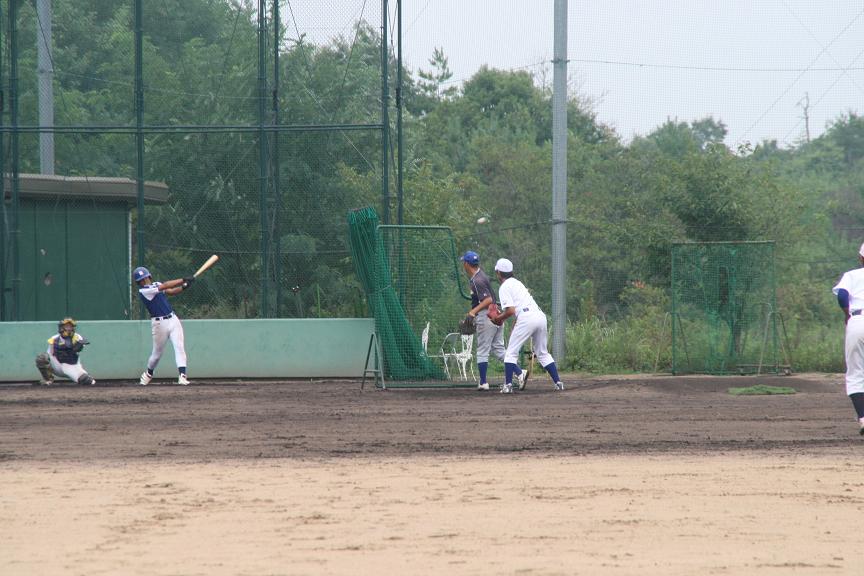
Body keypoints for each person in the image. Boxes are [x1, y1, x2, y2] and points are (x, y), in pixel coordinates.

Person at [491, 258, 564, 394]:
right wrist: (514, 323)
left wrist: (498, 318)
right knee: (542, 353)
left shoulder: (504, 287)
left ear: (498, 273)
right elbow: (518, 308)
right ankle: (558, 383)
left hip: (526, 318)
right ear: (511, 272)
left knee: (510, 353)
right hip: (539, 316)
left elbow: (511, 310)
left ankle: (507, 386)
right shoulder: (518, 283)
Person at [460, 251, 525, 391]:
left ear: (466, 264)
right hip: (495, 313)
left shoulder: (477, 280)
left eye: (463, 262)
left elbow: (488, 299)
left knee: (482, 349)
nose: (462, 265)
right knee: (498, 349)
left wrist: (473, 312)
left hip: (487, 315)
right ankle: (520, 372)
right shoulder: (481, 275)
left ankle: (483, 382)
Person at [133, 266, 194, 386]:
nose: (144, 281)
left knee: (179, 347)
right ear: (139, 283)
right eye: (141, 280)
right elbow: (165, 285)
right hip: (159, 324)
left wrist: (183, 287)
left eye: (145, 278)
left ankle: (182, 376)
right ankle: (148, 374)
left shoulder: (156, 284)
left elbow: (170, 291)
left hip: (173, 319)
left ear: (149, 276)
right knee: (157, 354)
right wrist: (183, 279)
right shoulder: (144, 291)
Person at [832, 242, 864, 435]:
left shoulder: (852, 275)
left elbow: (842, 296)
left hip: (858, 321)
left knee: (856, 374)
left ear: (861, 258)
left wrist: (847, 314)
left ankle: (863, 418)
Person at [35, 317, 95, 386]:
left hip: (71, 365)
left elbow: (79, 348)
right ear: (61, 327)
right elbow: (50, 354)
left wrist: (76, 346)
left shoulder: (77, 337)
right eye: (66, 326)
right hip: (57, 365)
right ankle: (48, 380)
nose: (69, 328)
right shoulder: (54, 338)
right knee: (42, 358)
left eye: (70, 326)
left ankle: (85, 376)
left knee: (87, 381)